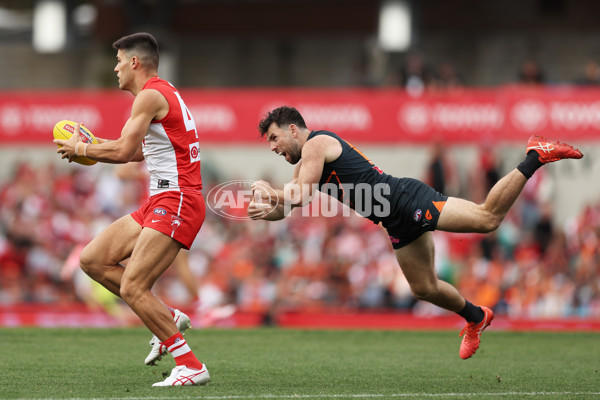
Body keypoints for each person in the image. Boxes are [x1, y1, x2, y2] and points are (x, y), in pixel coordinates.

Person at [248, 106, 583, 360]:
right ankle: (477, 317)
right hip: (396, 222)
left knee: (487, 219)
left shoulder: (316, 144)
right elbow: (289, 205)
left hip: (406, 200)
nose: (273, 147)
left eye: (274, 138)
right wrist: (267, 211)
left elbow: (300, 195)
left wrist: (272, 193)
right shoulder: (304, 162)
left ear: (293, 129)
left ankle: (534, 156)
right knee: (424, 287)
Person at [53, 32, 209, 387]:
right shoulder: (159, 93)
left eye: (120, 61)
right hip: (162, 199)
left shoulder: (151, 95)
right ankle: (167, 316)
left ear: (135, 62)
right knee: (92, 259)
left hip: (178, 199)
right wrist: (91, 145)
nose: (116, 67)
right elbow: (138, 152)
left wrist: (84, 150)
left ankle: (190, 364)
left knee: (133, 288)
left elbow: (124, 153)